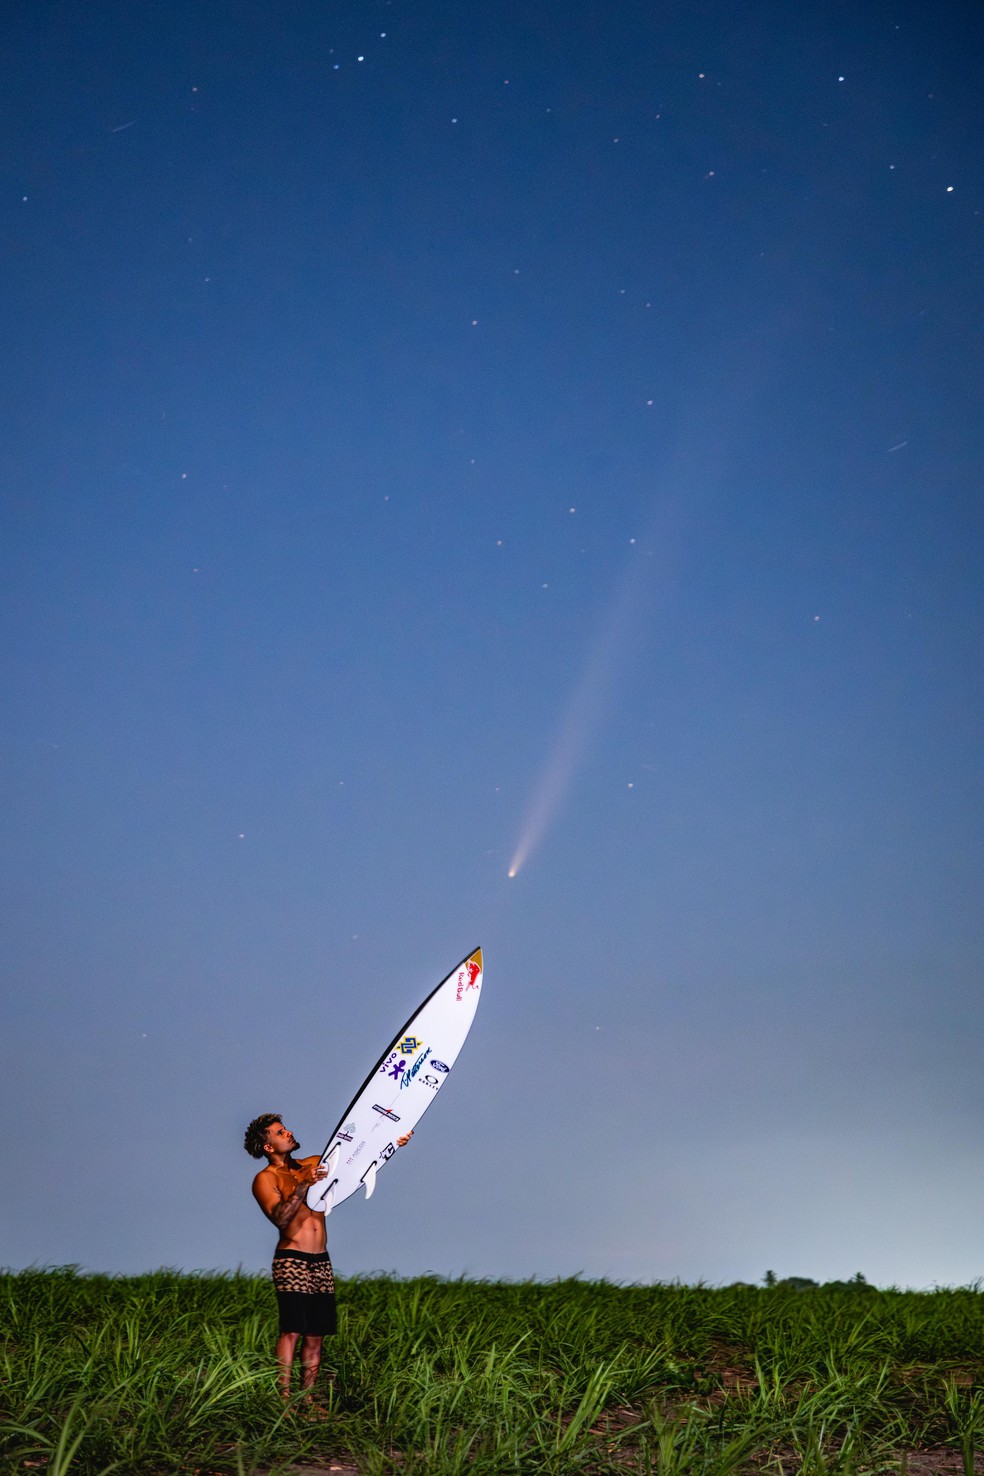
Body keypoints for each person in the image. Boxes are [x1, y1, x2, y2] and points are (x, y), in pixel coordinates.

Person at [244, 1113, 411, 1404]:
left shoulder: (313, 1163)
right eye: (280, 1132)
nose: (289, 1132)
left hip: (321, 1260)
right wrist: (302, 1186)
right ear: (268, 1147)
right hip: (291, 1259)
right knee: (292, 1330)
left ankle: (307, 1399)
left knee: (316, 1333)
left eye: (286, 1128)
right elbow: (280, 1218)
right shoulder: (266, 1179)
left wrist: (393, 1143)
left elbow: (358, 1162)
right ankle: (283, 1400)